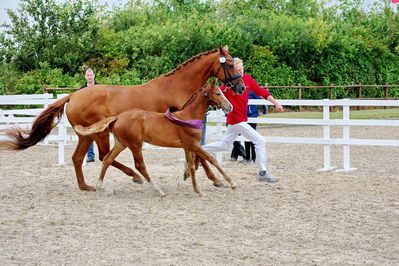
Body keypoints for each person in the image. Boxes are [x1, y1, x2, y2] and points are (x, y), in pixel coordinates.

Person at [201, 58, 284, 182]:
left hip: (239, 120)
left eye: (241, 68)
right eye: (238, 69)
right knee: (260, 141)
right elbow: (219, 94)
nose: (240, 71)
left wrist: (275, 102)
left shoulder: (248, 79)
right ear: (233, 70)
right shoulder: (229, 83)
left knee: (224, 145)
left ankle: (198, 150)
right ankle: (263, 173)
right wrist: (224, 88)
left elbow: (261, 91)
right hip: (236, 119)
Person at [79, 68, 99, 163]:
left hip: (99, 114)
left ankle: (105, 154)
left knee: (102, 135)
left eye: (91, 75)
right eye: (88, 75)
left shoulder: (100, 87)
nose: (90, 77)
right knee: (89, 135)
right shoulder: (82, 90)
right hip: (87, 116)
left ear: (94, 75)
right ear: (85, 76)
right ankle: (90, 156)